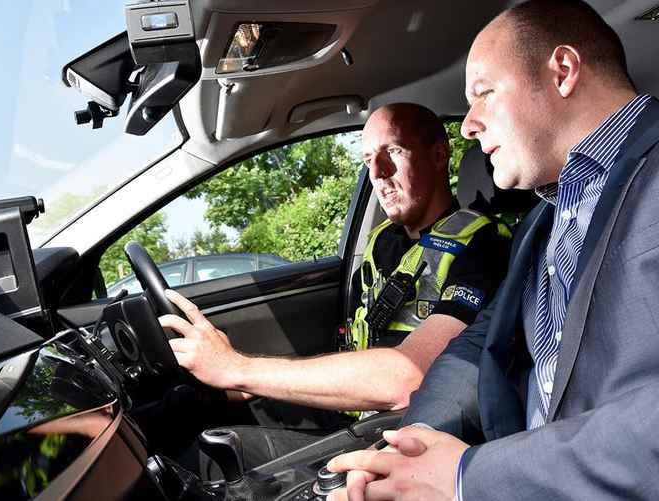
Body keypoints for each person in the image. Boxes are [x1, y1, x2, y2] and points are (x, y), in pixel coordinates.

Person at [326, 0, 659, 499]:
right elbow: (474, 352)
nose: (468, 126)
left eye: (483, 94)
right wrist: (409, 450)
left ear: (562, 71)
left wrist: (471, 478)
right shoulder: (539, 225)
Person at [159, 102, 512, 471]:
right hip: (357, 414)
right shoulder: (380, 242)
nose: (377, 172)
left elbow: (410, 376)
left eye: (392, 151)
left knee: (209, 460)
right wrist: (249, 380)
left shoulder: (483, 245)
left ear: (439, 155)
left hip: (405, 434)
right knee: (188, 415)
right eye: (368, 159)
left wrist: (238, 368)